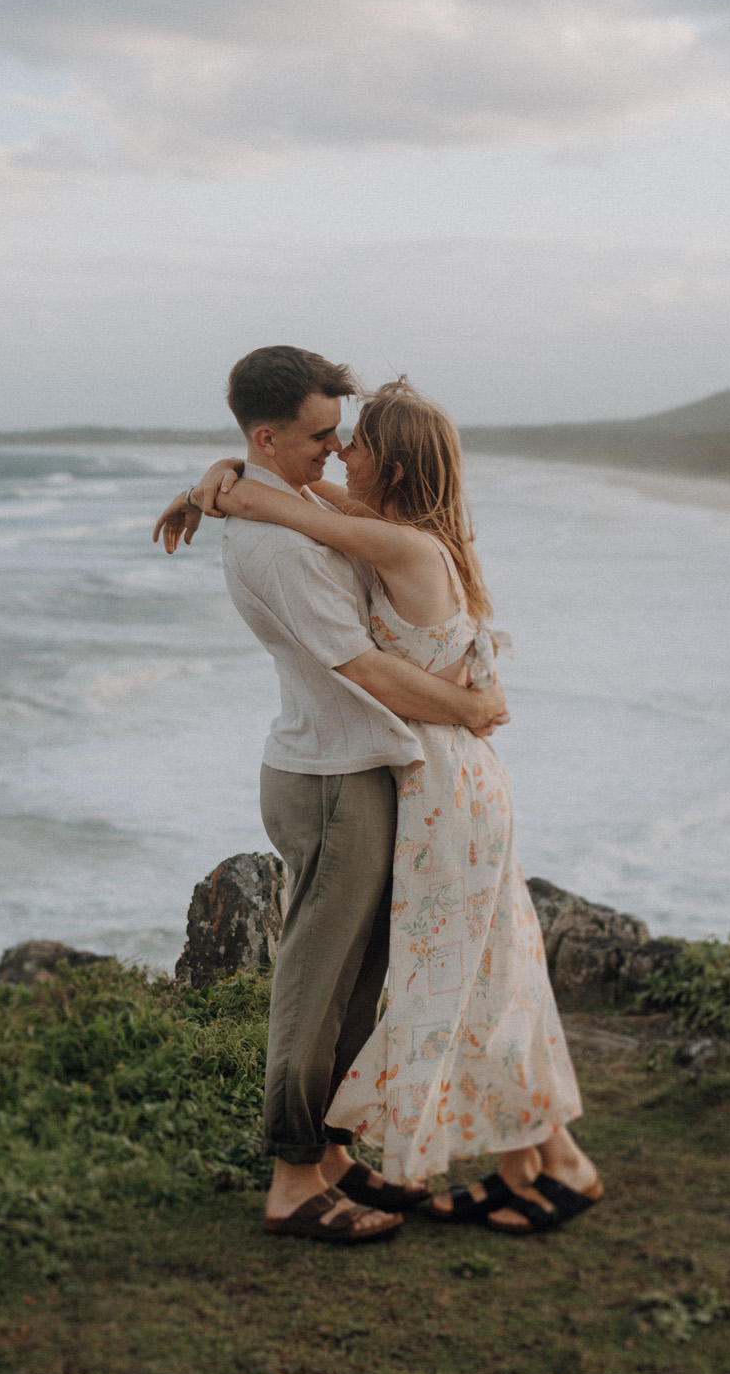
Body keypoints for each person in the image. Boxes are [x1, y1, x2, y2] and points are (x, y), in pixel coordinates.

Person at [175, 375, 602, 1237]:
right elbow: (302, 499)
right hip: (437, 778)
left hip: (445, 782)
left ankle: (551, 1163)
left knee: (479, 980)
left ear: (394, 471)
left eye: (356, 441)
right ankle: (529, 1165)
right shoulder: (403, 532)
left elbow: (300, 512)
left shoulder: (396, 547)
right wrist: (218, 480)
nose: (340, 451)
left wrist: (225, 488)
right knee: (486, 976)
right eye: (332, 436)